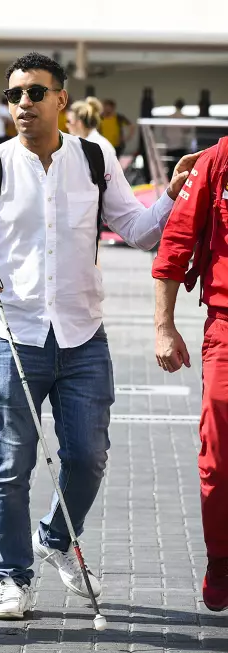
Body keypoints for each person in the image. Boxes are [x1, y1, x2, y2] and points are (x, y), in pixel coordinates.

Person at [0, 52, 198, 621]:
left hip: (84, 335)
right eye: (14, 95)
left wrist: (171, 195)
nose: (23, 105)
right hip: (15, 335)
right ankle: (13, 577)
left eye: (35, 93)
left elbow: (135, 230)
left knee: (88, 457)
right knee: (10, 465)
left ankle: (56, 538)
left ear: (62, 99)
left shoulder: (94, 157)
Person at [152, 134, 228, 612]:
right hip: (226, 325)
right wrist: (164, 326)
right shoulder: (220, 159)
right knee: (218, 459)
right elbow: (176, 241)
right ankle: (221, 559)